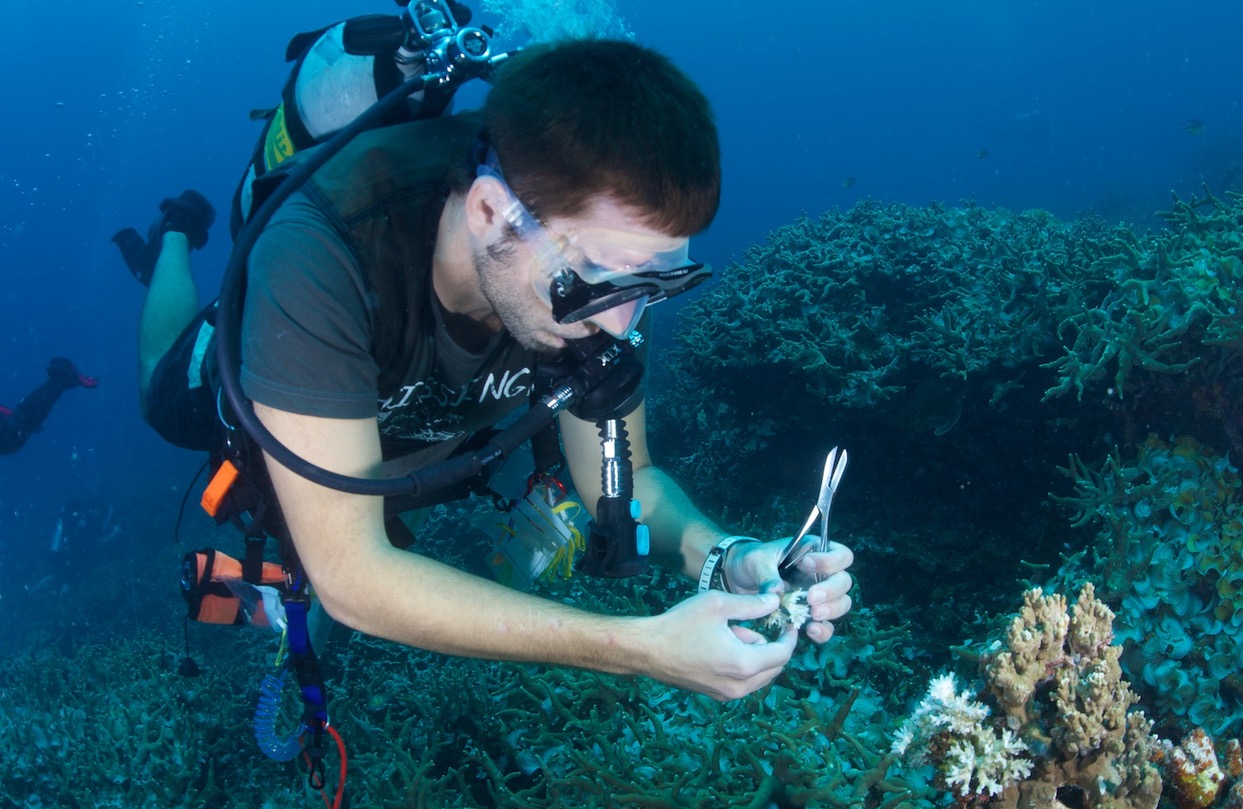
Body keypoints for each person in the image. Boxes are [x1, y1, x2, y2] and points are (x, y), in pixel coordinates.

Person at [116, 39, 853, 702]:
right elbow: (351, 576)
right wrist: (639, 649)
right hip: (269, 367)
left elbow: (625, 485)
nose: (622, 325)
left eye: (655, 285)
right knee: (162, 395)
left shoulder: (615, 271)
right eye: (598, 281)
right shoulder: (320, 253)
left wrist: (727, 556)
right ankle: (176, 236)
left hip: (423, 430)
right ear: (492, 209)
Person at [0, 358, 99, 455]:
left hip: (10, 436)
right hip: (10, 436)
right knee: (19, 421)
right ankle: (63, 377)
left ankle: (62, 378)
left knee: (19, 420)